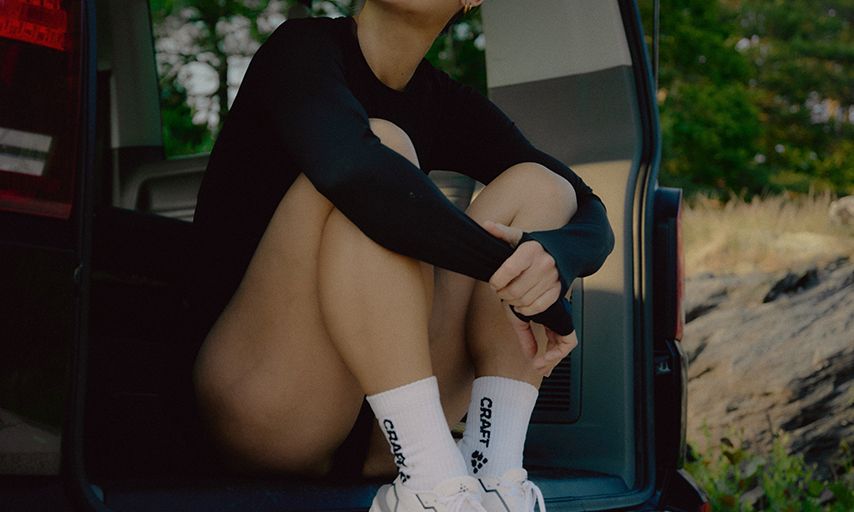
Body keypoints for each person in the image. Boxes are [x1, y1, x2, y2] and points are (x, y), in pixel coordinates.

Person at [185, 0, 615, 511]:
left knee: (541, 187)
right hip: (269, 402)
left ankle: (491, 474)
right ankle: (432, 480)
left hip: (387, 427)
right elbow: (354, 171)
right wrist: (522, 281)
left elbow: (584, 201)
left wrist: (555, 261)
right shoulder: (301, 49)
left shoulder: (442, 99)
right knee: (383, 149)